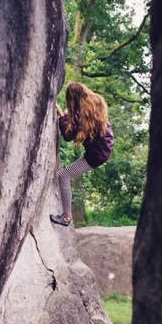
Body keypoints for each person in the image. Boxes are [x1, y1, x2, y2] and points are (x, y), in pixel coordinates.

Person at [50, 82, 115, 227]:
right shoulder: (96, 101)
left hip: (96, 154)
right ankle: (66, 216)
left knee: (64, 176)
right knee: (65, 175)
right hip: (105, 147)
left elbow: (68, 136)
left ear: (72, 98)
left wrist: (62, 115)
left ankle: (66, 217)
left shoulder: (80, 112)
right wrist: (69, 116)